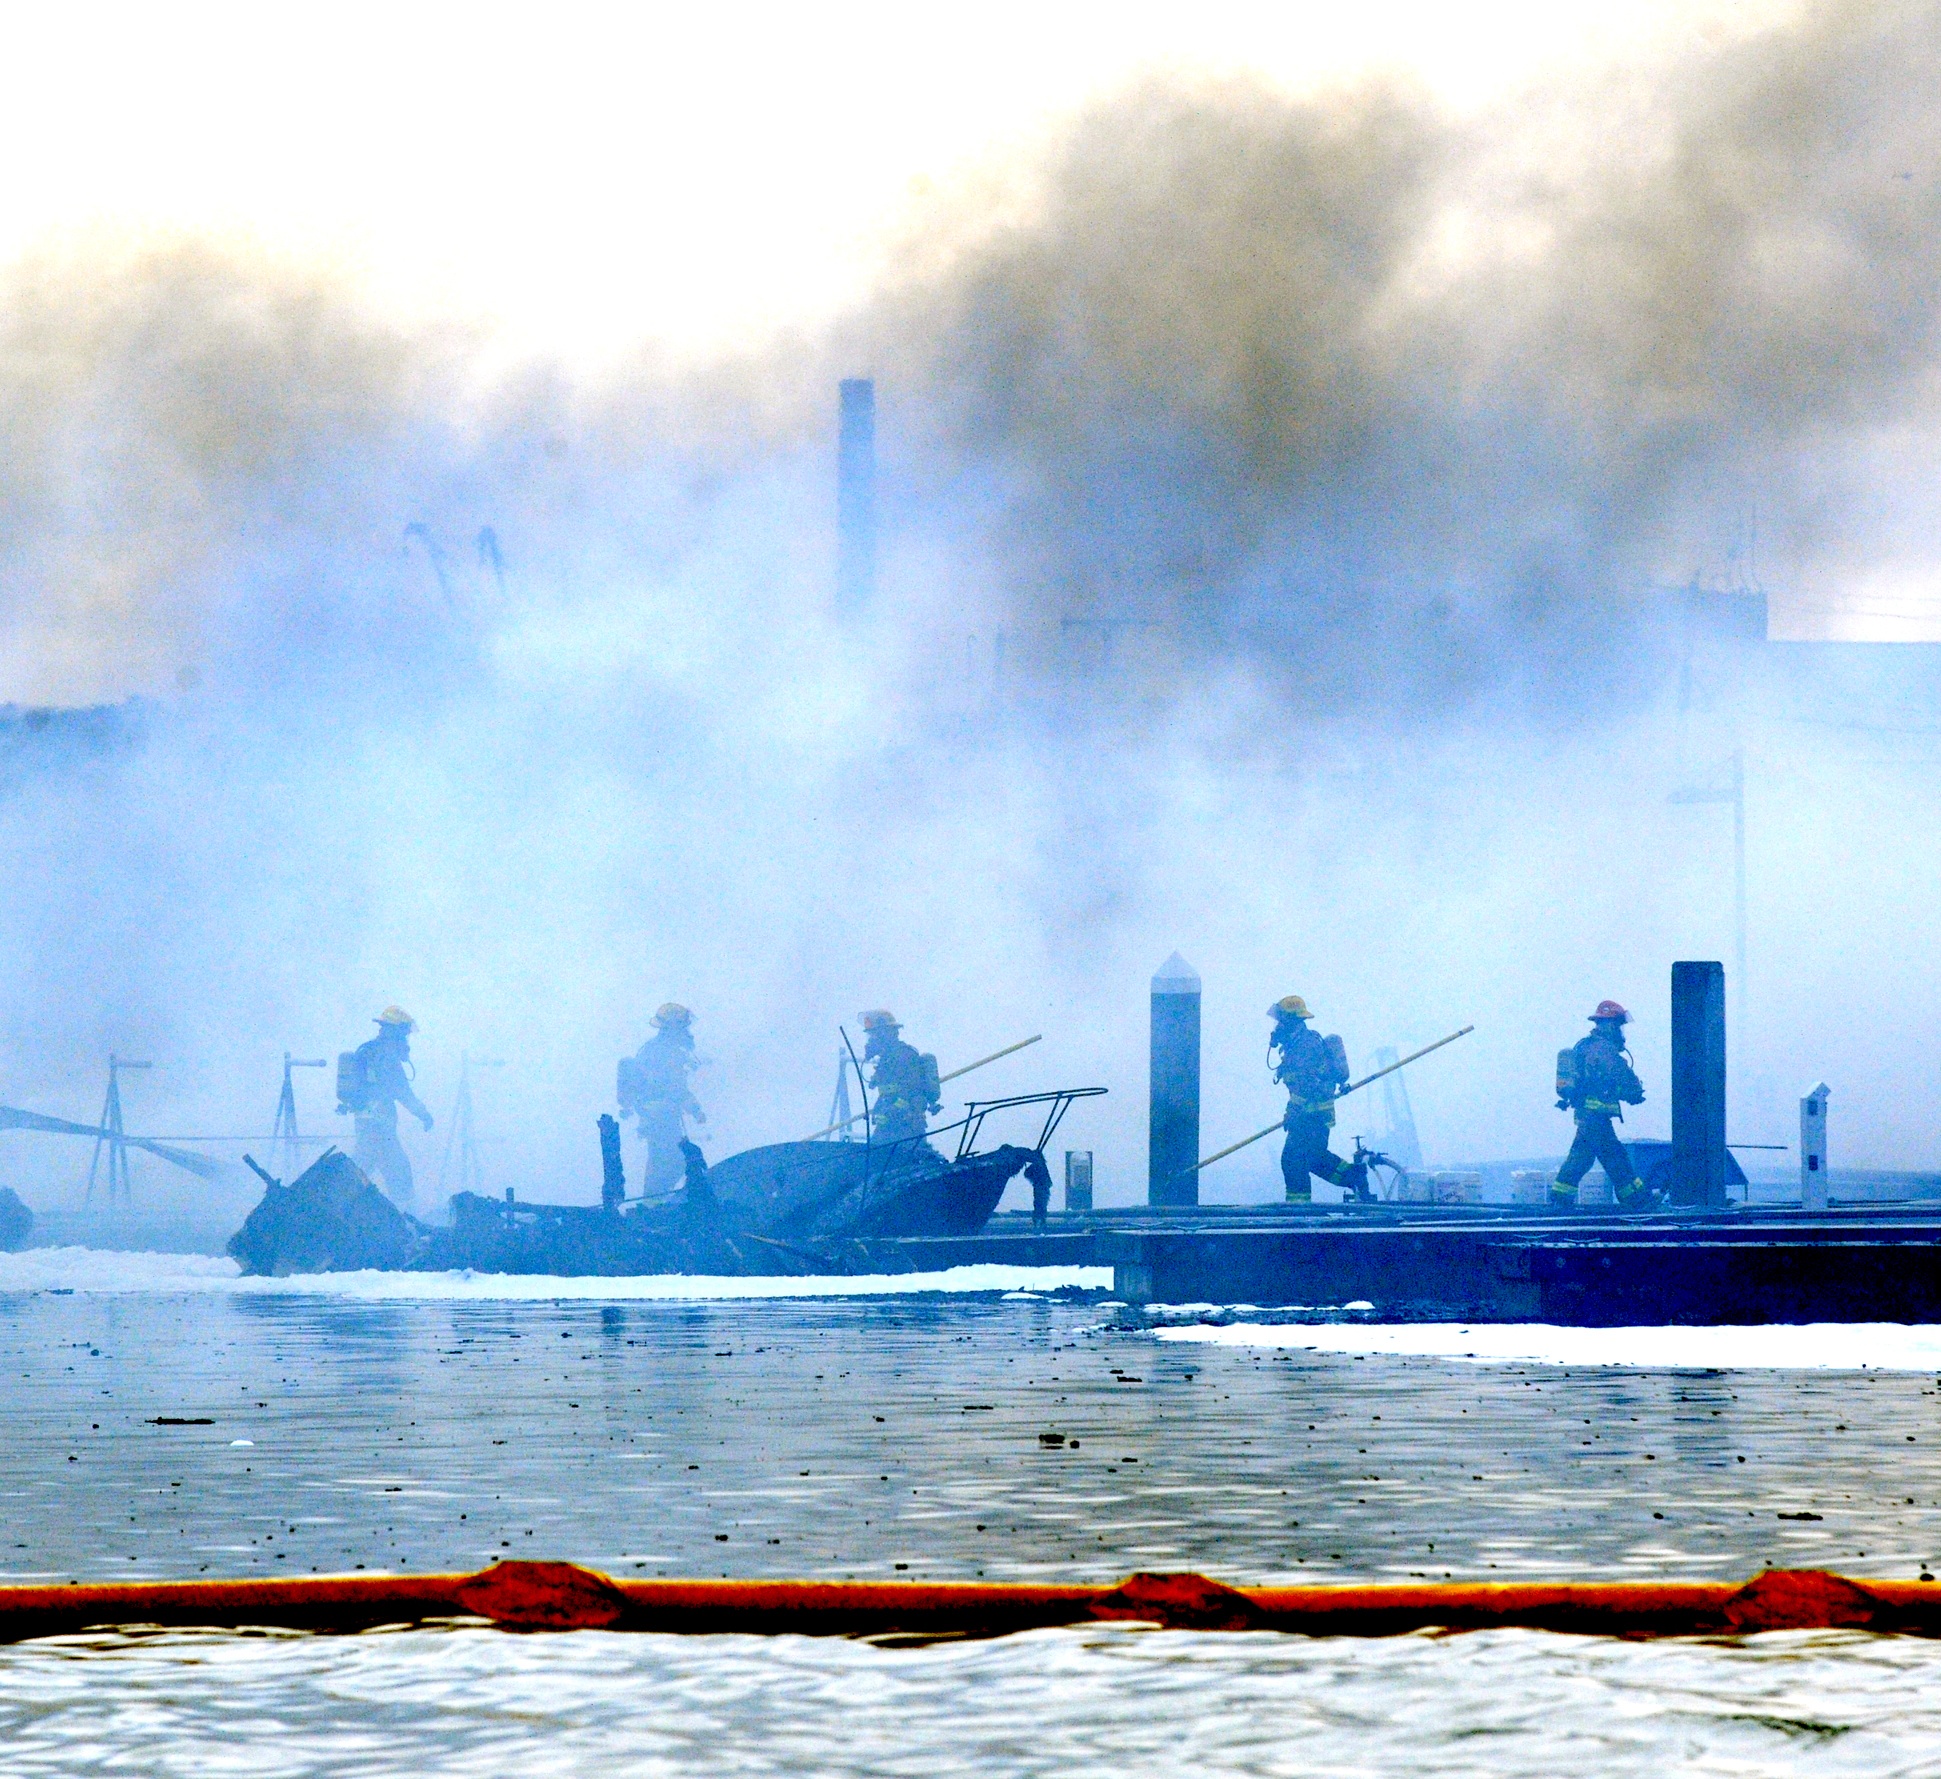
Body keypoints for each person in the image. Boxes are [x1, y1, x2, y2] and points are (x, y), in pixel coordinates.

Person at [1269, 995, 1367, 1203]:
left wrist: (1292, 1110)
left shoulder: (1305, 1046)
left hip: (1312, 1115)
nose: (1277, 1026)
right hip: (1309, 1115)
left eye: (1281, 1021)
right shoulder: (1296, 1046)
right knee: (1313, 1158)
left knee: (1293, 1162)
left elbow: (1307, 1086)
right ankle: (1354, 1176)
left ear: (1291, 1021)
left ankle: (1299, 1212)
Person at [1553, 1000, 1648, 1210]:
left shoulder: (1586, 1046)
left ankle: (1561, 1198)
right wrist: (1634, 1092)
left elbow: (1605, 1083)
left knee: (1595, 1157)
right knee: (1604, 1157)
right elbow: (1622, 1076)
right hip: (1595, 1115)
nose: (1620, 1030)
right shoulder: (1603, 1049)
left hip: (1590, 1115)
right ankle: (1636, 1199)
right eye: (1617, 1025)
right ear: (1609, 1025)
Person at [340, 1007, 433, 1207]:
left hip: (368, 1124)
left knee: (361, 1169)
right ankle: (405, 1217)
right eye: (404, 1034)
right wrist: (423, 1114)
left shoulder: (368, 1051)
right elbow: (403, 1092)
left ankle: (340, 1203)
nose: (406, 1039)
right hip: (380, 1126)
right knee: (398, 1171)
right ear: (395, 1032)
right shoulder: (386, 1057)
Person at [620, 1004, 706, 1194]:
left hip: (661, 1117)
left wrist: (694, 1109)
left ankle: (654, 1200)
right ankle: (653, 1203)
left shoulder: (660, 1050)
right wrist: (695, 1109)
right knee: (669, 1162)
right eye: (683, 1027)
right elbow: (675, 1088)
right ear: (673, 1028)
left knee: (668, 1162)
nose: (687, 1032)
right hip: (660, 1118)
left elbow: (676, 1088)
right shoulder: (662, 1053)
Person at [859, 1010, 941, 1148]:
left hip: (906, 1125)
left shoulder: (904, 1056)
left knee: (905, 1157)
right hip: (890, 1125)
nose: (870, 1040)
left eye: (874, 1035)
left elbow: (912, 1090)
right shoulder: (887, 1059)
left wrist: (890, 1113)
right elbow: (888, 1092)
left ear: (885, 1034)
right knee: (876, 1157)